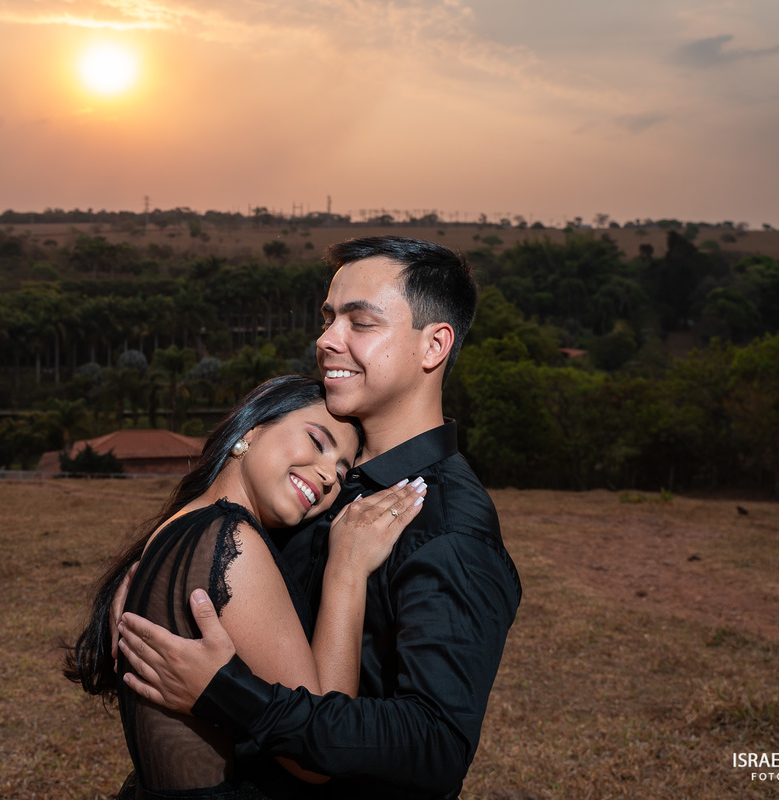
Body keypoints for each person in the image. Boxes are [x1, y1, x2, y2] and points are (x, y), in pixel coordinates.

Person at [118, 236, 523, 800]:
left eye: (361, 323)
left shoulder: (448, 526)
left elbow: (435, 747)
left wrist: (225, 692)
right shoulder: (326, 483)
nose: (327, 340)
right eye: (329, 318)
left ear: (433, 346)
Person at [66, 374, 429, 799]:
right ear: (251, 431)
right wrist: (346, 572)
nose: (330, 477)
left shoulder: (182, 526)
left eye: (342, 470)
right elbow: (318, 753)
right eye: (317, 441)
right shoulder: (231, 542)